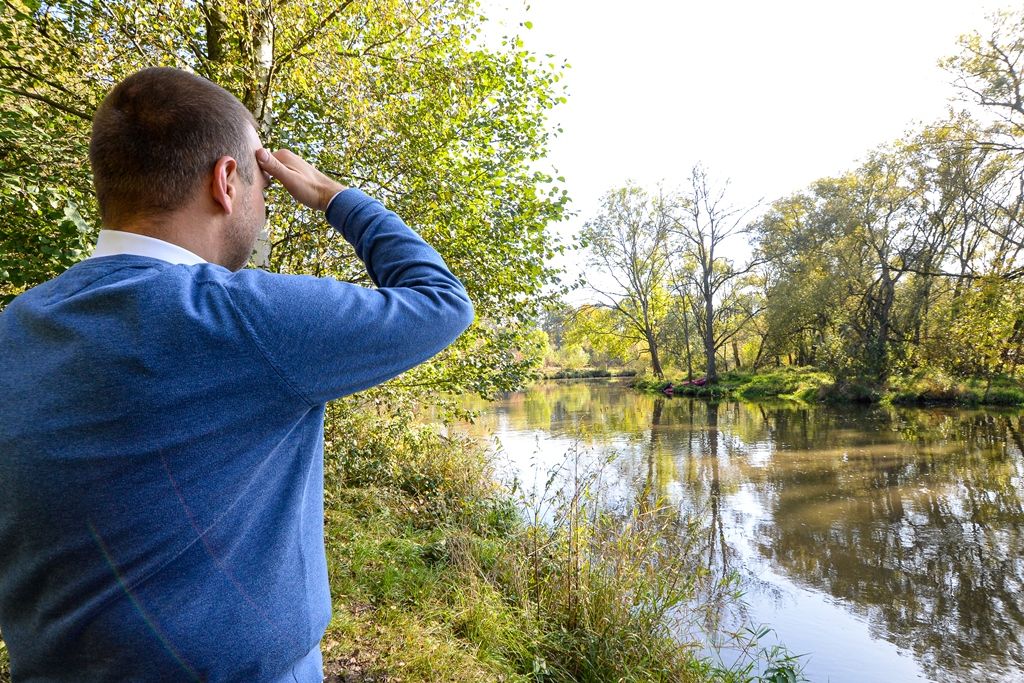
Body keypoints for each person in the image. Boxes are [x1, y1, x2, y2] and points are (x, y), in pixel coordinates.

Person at [0, 67, 474, 681]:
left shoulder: (18, 324)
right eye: (262, 184)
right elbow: (440, 301)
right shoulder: (243, 318)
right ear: (226, 181)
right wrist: (337, 198)